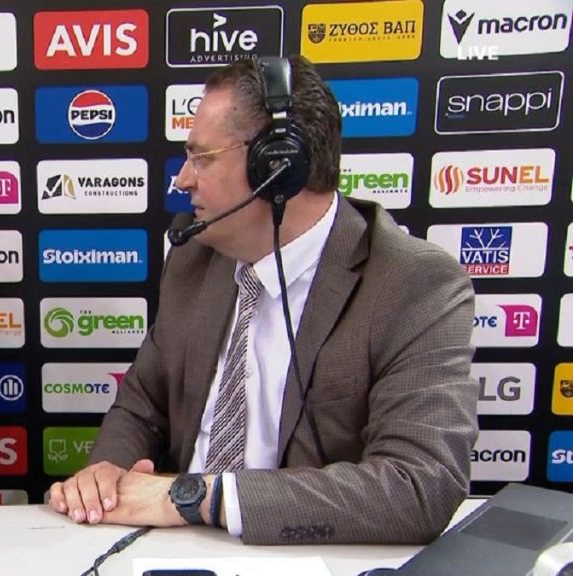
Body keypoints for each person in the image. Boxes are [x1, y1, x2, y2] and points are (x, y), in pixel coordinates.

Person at [48, 55, 478, 545]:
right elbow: (143, 404)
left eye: (202, 158)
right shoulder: (193, 257)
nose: (183, 179)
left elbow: (420, 486)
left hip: (306, 554)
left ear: (278, 166)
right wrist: (107, 476)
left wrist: (200, 497)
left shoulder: (413, 282)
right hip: (170, 547)